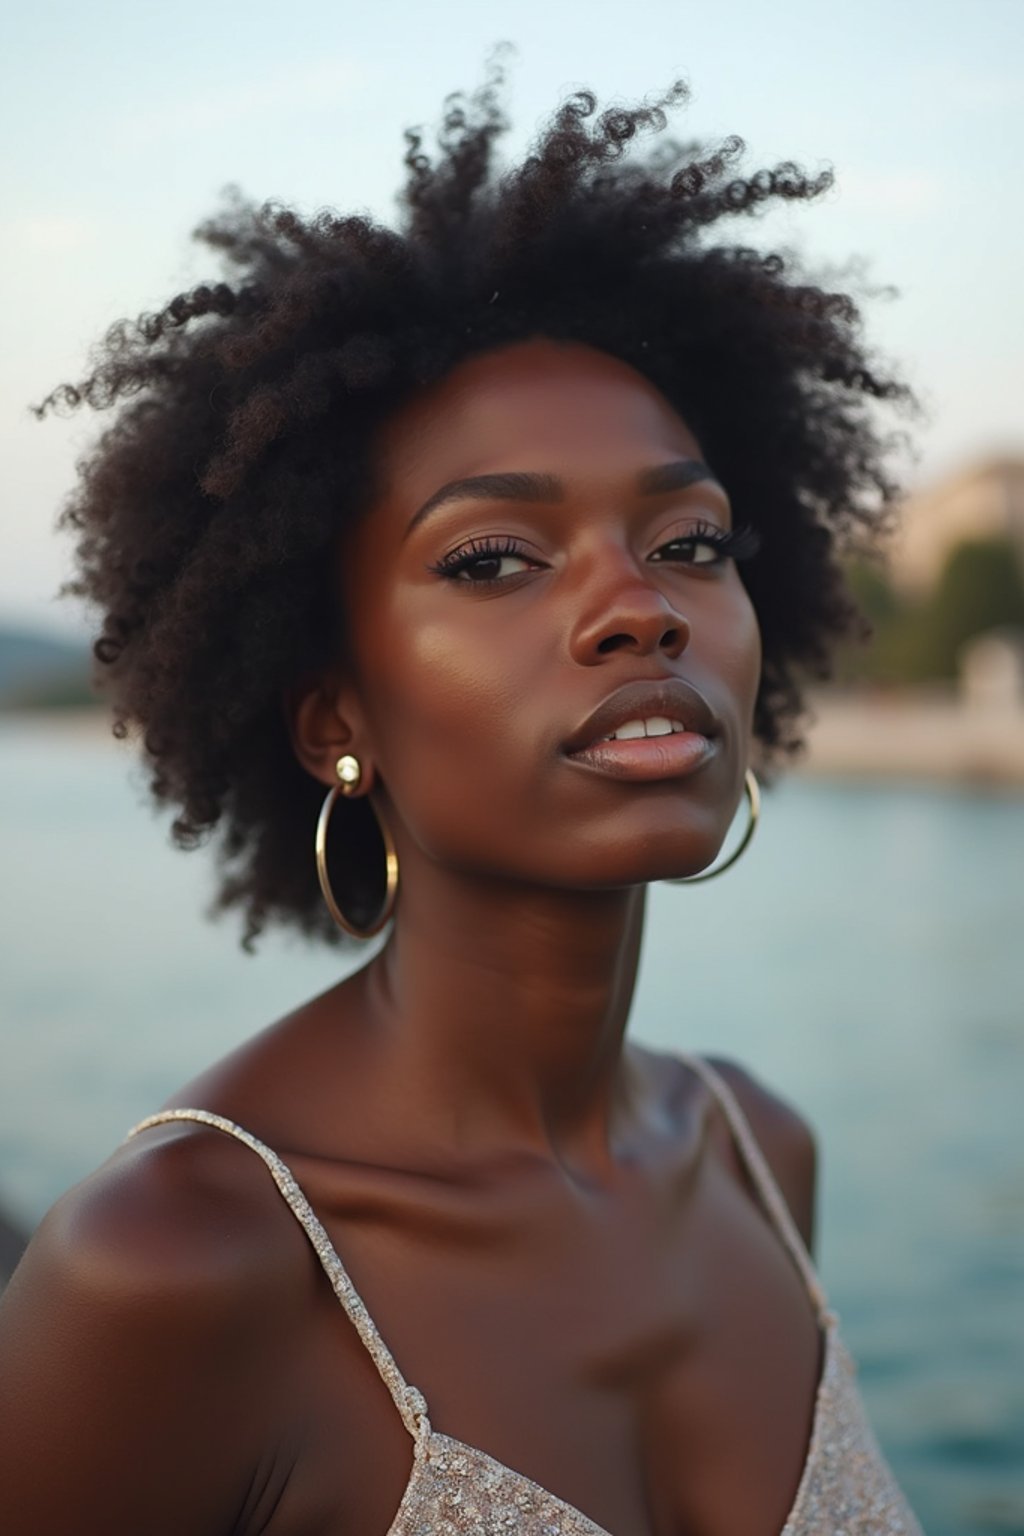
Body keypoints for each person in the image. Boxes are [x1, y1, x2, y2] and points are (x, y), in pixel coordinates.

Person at [0, 64, 922, 1535]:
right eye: (495, 557)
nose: (642, 610)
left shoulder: (761, 1152)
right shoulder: (178, 1271)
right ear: (331, 718)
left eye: (690, 540)